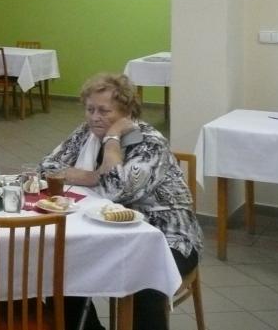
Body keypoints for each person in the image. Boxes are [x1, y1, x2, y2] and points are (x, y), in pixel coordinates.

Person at [40, 73, 202, 330]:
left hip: (166, 236)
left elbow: (116, 190)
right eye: (90, 109)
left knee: (144, 284)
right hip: (108, 230)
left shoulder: (150, 143)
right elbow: (47, 168)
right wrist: (94, 176)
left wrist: (113, 139)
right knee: (61, 270)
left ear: (127, 112)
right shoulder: (85, 133)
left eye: (104, 111)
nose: (95, 117)